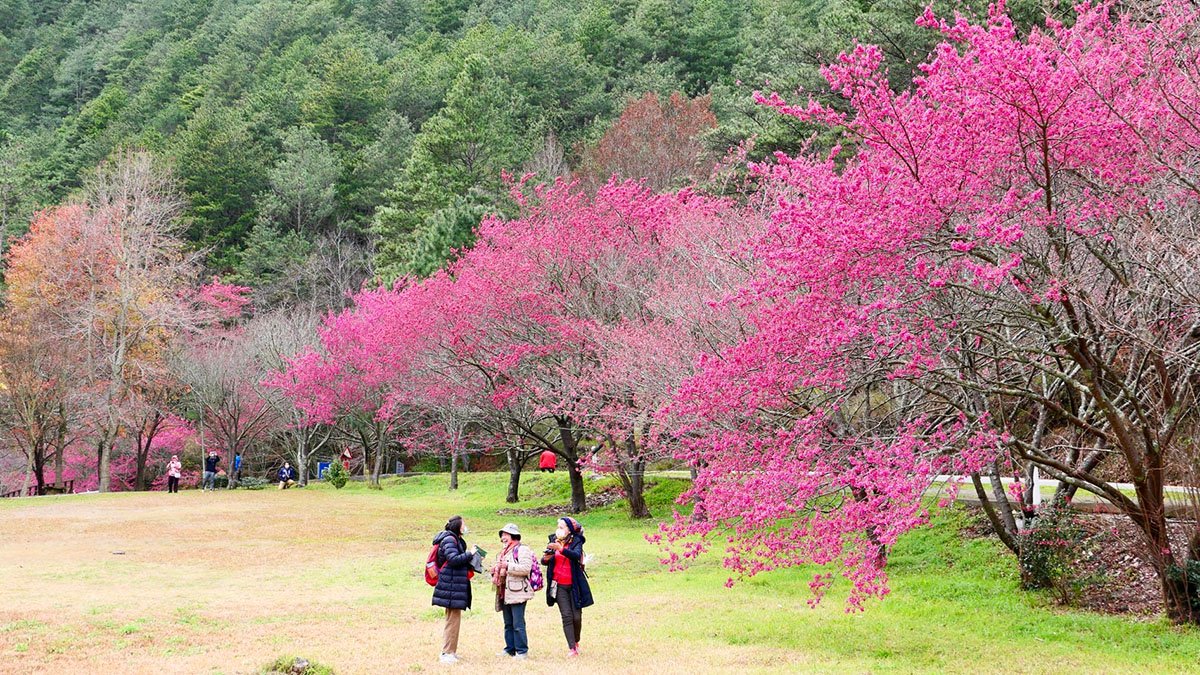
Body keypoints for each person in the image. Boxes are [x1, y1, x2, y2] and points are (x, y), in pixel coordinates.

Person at [542, 516, 592, 657]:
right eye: (558, 527)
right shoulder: (553, 540)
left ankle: (576, 641)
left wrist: (561, 549)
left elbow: (576, 556)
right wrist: (545, 559)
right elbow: (546, 560)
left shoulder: (576, 541)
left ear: (569, 530)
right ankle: (572, 648)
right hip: (559, 585)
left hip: (574, 584)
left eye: (561, 527)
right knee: (567, 616)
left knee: (576, 617)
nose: (558, 530)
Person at [432, 515, 475, 664]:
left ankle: (451, 651)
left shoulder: (454, 539)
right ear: (458, 526)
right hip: (451, 585)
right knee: (452, 620)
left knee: (453, 619)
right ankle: (447, 653)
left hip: (454, 584)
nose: (465, 526)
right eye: (463, 524)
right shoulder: (450, 539)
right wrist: (470, 554)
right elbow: (453, 559)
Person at [491, 523, 534, 660]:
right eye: (502, 535)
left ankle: (522, 651)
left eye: (505, 534)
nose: (503, 537)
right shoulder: (503, 551)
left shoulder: (522, 549)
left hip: (518, 591)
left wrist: (507, 565)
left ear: (513, 535)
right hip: (504, 591)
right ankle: (510, 649)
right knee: (508, 623)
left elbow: (526, 568)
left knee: (518, 623)